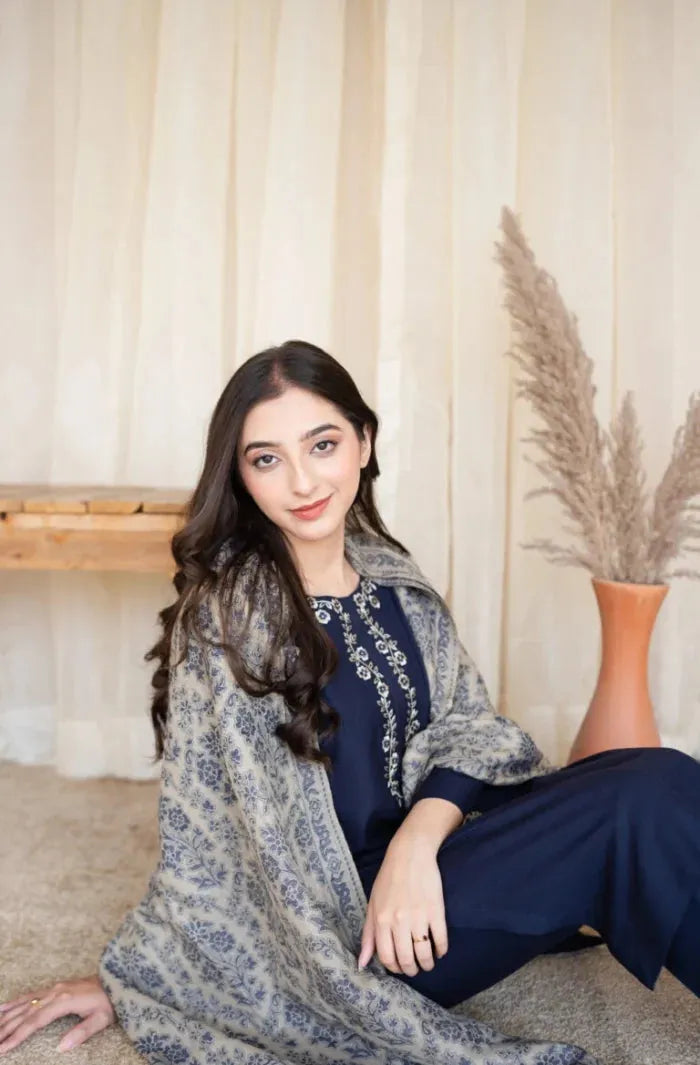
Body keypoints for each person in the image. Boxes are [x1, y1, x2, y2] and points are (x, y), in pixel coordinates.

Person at [1, 339, 698, 1063]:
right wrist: (136, 975)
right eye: (266, 458)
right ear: (240, 477)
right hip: (353, 936)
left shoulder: (391, 574)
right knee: (638, 805)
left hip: (428, 871)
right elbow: (202, 842)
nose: (302, 480)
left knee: (655, 773)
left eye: (323, 444)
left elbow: (469, 725)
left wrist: (416, 840)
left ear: (363, 441)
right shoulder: (232, 619)